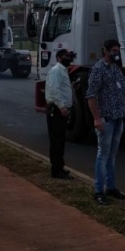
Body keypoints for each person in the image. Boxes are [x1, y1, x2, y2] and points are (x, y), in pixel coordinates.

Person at [85, 39, 125, 205]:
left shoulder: (115, 69)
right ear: (105, 51)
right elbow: (91, 96)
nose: (116, 53)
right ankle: (98, 190)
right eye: (114, 51)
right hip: (106, 119)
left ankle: (111, 187)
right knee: (103, 154)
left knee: (112, 155)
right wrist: (96, 118)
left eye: (118, 50)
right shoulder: (98, 70)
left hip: (118, 119)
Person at [44, 49, 74, 179]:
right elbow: (53, 91)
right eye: (65, 56)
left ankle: (59, 167)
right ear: (58, 58)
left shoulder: (63, 70)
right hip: (56, 111)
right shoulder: (56, 71)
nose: (68, 58)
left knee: (60, 140)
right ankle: (56, 170)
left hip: (60, 111)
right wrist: (62, 107)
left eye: (69, 56)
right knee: (56, 141)